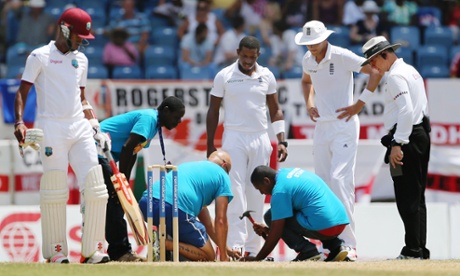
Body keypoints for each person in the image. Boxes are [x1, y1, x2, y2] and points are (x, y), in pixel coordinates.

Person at [13, 8, 110, 264]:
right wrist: (20, 122)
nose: (81, 41)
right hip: (52, 128)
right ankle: (56, 252)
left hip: (79, 127)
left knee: (96, 187)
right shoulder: (40, 56)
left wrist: (95, 125)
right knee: (55, 189)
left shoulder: (82, 60)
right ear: (64, 28)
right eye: (78, 36)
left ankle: (93, 249)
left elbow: (82, 97)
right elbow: (23, 91)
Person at [294, 20, 382, 261]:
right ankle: (329, 246)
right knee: (322, 184)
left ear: (325, 38)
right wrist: (310, 104)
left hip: (344, 126)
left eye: (314, 42)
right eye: (307, 43)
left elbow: (375, 71)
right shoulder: (307, 60)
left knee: (340, 180)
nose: (311, 47)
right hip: (322, 127)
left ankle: (350, 245)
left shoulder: (342, 55)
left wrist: (359, 104)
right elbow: (305, 82)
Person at [340, 36, 431, 260]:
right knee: (417, 196)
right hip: (419, 134)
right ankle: (418, 248)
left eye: (373, 60)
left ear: (385, 54)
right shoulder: (411, 71)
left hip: (407, 137)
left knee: (407, 195)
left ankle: (412, 250)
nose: (372, 67)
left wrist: (398, 142)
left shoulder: (395, 77)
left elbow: (406, 111)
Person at [206, 35, 288, 257]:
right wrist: (210, 144)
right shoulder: (224, 76)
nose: (248, 61)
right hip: (234, 137)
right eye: (244, 56)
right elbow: (213, 110)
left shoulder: (267, 75)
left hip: (260, 138)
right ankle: (237, 244)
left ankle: (254, 247)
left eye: (252, 57)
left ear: (258, 55)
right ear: (237, 52)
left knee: (258, 191)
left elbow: (275, 109)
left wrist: (281, 140)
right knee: (234, 189)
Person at [99, 96, 185, 262]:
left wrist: (124, 184)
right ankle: (120, 252)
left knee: (115, 200)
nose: (179, 121)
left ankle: (119, 251)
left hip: (102, 154)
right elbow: (127, 147)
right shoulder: (149, 118)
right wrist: (121, 184)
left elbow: (132, 152)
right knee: (115, 200)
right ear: (166, 110)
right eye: (177, 117)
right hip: (96, 150)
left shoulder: (154, 123)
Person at [138, 150, 241, 261]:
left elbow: (208, 223)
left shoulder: (192, 168)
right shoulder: (222, 175)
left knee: (175, 225)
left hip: (146, 203)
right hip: (174, 207)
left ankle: (159, 243)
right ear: (224, 165)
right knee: (209, 256)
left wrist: (227, 250)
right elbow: (220, 220)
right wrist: (224, 258)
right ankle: (164, 244)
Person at [240, 165, 350, 262]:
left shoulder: (280, 191)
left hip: (324, 227)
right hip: (340, 222)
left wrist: (257, 258)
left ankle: (307, 252)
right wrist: (270, 230)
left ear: (266, 181)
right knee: (307, 209)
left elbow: (277, 232)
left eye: (260, 189)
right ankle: (336, 246)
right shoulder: (289, 172)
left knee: (270, 216)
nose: (262, 193)